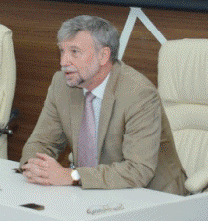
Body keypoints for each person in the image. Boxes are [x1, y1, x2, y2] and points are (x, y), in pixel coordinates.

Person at [20, 15, 187, 195]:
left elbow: (138, 170)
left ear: (103, 55)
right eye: (62, 51)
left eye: (74, 52)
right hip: (91, 193)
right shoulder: (61, 84)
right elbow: (41, 142)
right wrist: (36, 167)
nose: (63, 62)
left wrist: (72, 176)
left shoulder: (139, 93)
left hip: (151, 196)